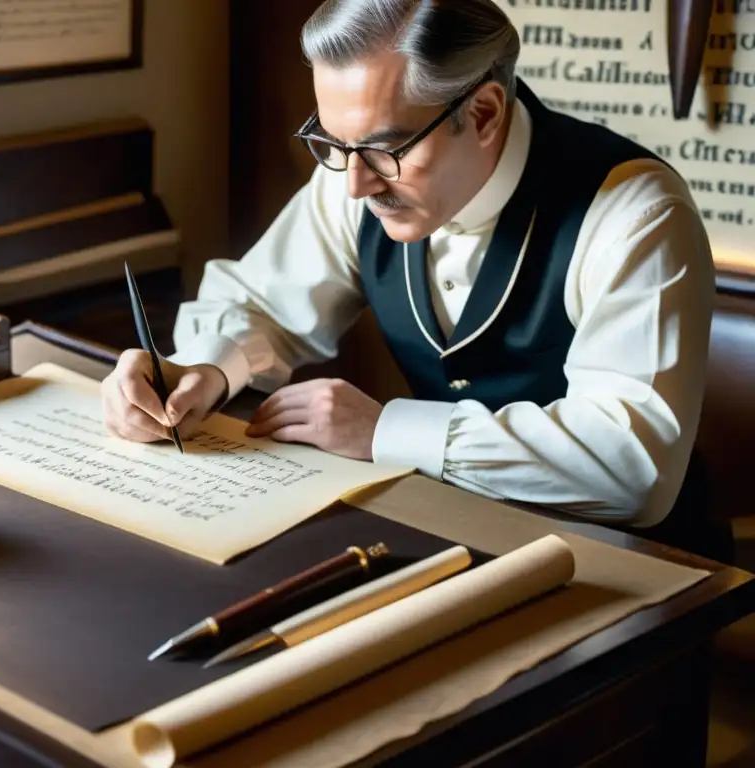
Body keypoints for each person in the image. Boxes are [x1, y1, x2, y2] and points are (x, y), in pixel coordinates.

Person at [101, 0, 728, 559]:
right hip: (452, 540)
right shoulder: (355, 168)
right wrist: (203, 371)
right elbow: (262, 302)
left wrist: (385, 432)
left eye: (386, 149)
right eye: (334, 143)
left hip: (636, 571)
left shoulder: (637, 213)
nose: (354, 184)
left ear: (483, 113)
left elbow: (631, 466)